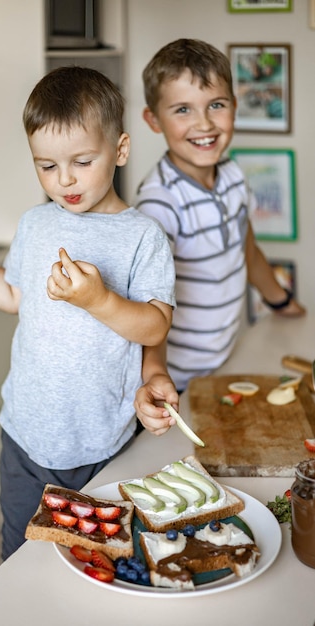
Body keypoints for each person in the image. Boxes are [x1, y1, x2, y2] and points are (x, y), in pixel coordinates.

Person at [0, 66, 176, 559]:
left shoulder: (143, 237)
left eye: (81, 161)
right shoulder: (35, 224)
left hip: (103, 445)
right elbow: (14, 296)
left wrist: (97, 300)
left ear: (119, 150)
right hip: (24, 441)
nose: (65, 180)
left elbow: (154, 325)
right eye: (47, 166)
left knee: (97, 558)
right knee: (20, 556)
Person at [132, 39, 305, 435]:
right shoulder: (159, 205)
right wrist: (155, 377)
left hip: (226, 358)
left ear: (234, 105)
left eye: (216, 104)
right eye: (182, 110)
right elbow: (149, 301)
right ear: (153, 120)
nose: (204, 124)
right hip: (172, 383)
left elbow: (245, 247)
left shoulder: (232, 175)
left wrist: (282, 302)